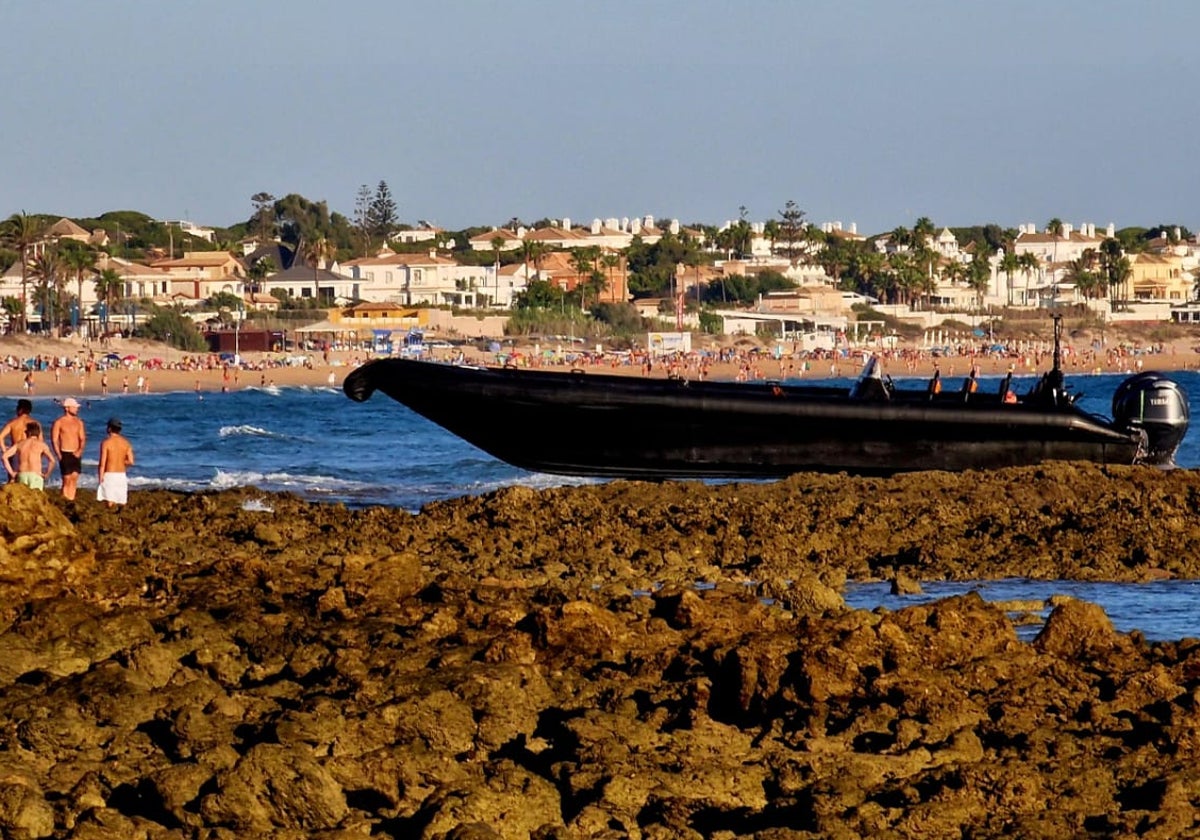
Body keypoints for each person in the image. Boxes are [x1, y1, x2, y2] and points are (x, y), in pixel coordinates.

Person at [2, 423, 56, 490]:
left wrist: (12, 473)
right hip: (36, 475)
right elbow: (52, 461)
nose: (25, 433)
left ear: (29, 433)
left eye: (26, 432)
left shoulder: (20, 444)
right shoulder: (42, 445)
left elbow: (4, 457)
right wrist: (47, 474)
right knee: (36, 498)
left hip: (22, 474)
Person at [51, 397, 86, 501]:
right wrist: (58, 454)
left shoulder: (79, 422)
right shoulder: (59, 422)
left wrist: (80, 450)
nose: (77, 409)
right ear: (67, 408)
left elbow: (83, 438)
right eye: (74, 407)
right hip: (65, 452)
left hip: (76, 453)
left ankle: (71, 499)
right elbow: (54, 439)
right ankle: (65, 500)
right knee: (66, 479)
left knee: (74, 477)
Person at [97, 418, 134, 508]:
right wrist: (121, 462)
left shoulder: (106, 443)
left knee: (109, 503)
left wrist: (100, 477)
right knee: (121, 501)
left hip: (109, 474)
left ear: (109, 428)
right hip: (121, 475)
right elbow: (131, 461)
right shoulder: (126, 443)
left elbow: (102, 463)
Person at [1, 399, 41, 482]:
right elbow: (40, 441)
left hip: (15, 451)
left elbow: (0, 437)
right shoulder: (35, 424)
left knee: (12, 478)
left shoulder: (12, 423)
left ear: (20, 410)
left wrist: (4, 450)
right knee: (31, 477)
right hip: (30, 452)